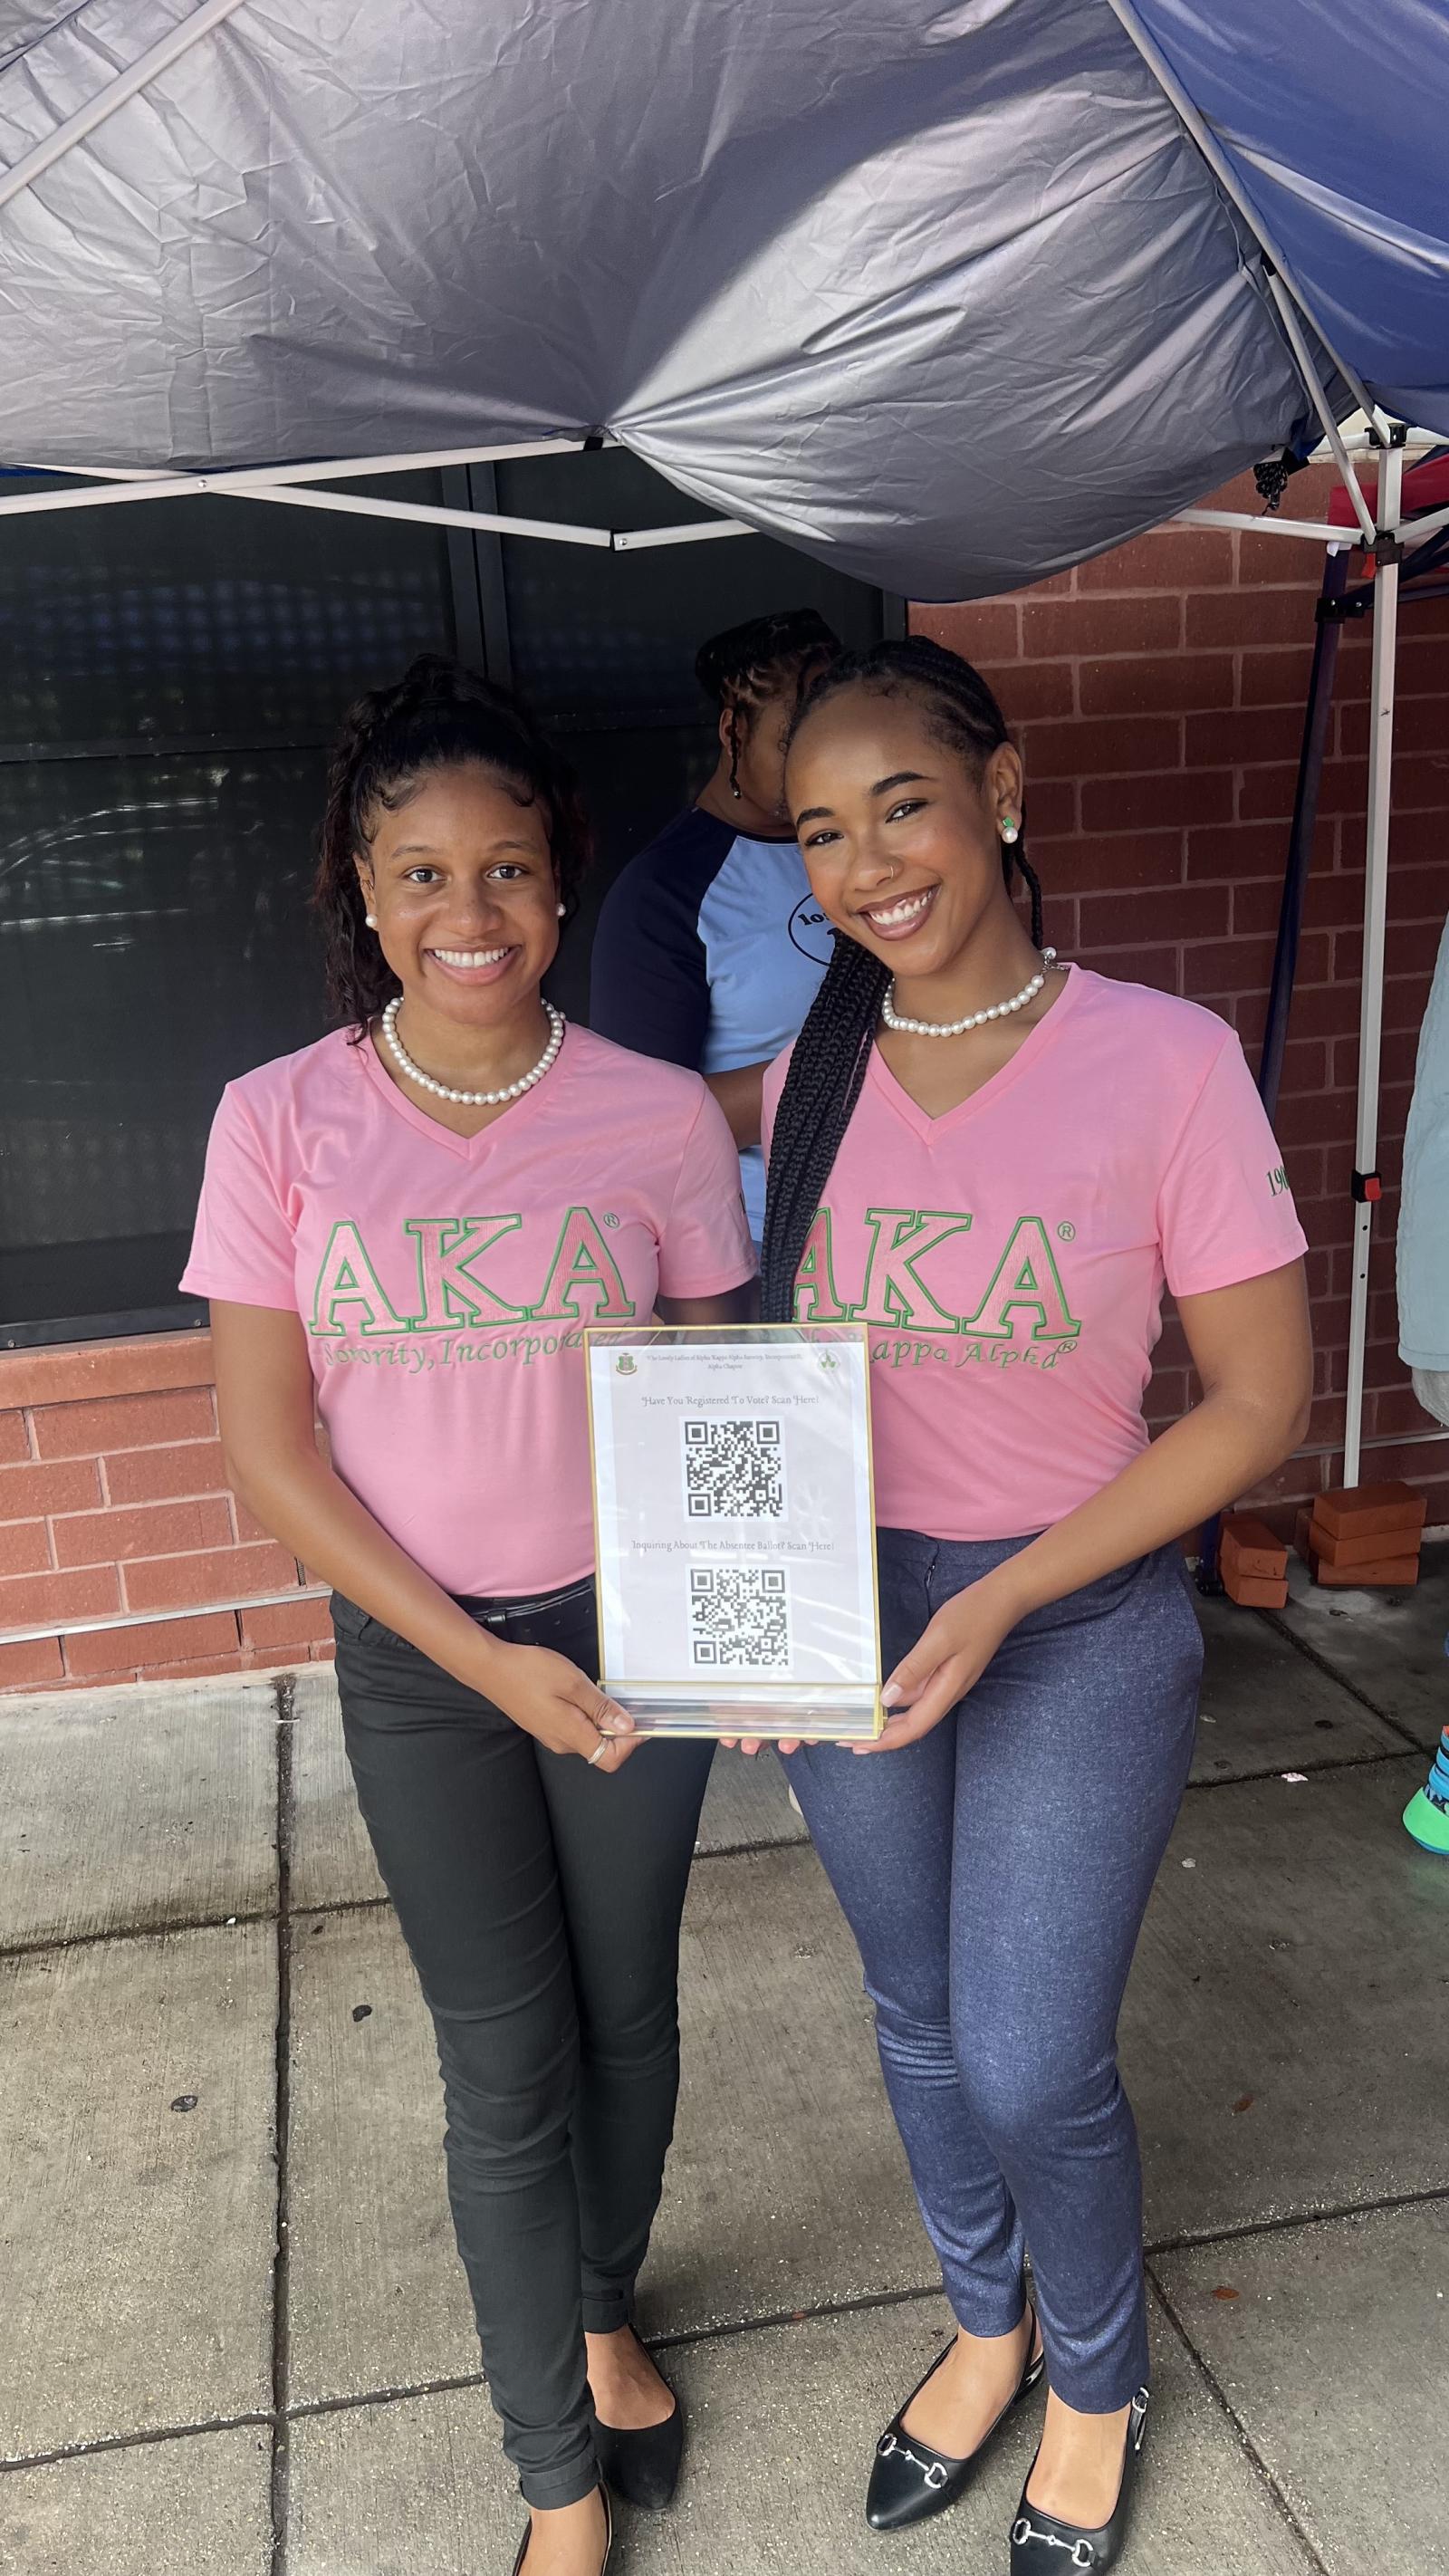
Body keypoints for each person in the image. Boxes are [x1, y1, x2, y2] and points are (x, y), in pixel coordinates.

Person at [180, 657, 755, 2576]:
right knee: (502, 2058)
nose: (467, 914)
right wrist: (482, 1656)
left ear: (561, 883)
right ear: (360, 889)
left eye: (504, 869)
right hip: (430, 1662)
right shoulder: (275, 1125)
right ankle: (553, 2485)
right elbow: (272, 1455)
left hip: (638, 1632)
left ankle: (602, 2315)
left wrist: (746, 1632)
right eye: (420, 873)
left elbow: (715, 1408)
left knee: (629, 2016)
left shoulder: (658, 1118)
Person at [754, 637, 1311, 2572]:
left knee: (1022, 2052)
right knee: (911, 2011)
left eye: (896, 802)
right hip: (847, 1606)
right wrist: (727, 1615)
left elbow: (1256, 1401)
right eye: (817, 831)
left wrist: (1003, 1601)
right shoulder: (796, 1093)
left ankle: (1094, 2371)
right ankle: (980, 2323)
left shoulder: (1161, 1061)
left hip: (1069, 1615)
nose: (861, 862)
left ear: (998, 787)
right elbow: (731, 1388)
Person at [589, 608, 840, 1243]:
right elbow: (640, 1124)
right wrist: (855, 1066)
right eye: (795, 737)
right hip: (756, 1246)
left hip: (894, 1230)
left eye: (835, 733)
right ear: (733, 731)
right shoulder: (665, 891)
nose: (820, 758)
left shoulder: (859, 849)